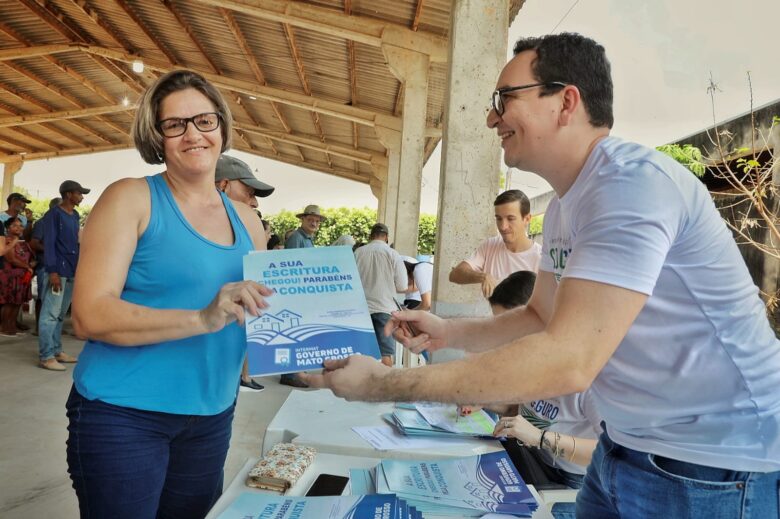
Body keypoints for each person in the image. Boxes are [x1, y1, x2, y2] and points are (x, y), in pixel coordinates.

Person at [305, 32, 780, 518]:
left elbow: (568, 359)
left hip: (716, 466)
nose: (491, 118)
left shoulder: (630, 184)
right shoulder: (564, 206)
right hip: (627, 446)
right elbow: (540, 315)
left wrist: (381, 386)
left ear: (566, 101)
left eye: (504, 99)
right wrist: (450, 331)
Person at [67, 69, 270, 519]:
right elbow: (90, 315)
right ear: (156, 136)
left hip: (212, 415)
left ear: (221, 126)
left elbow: (261, 319)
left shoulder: (248, 221)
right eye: (174, 124)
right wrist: (201, 318)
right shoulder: (130, 199)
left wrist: (321, 354)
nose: (192, 134)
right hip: (124, 415)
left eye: (204, 120)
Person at [215, 153, 275, 393]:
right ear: (223, 185)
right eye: (249, 192)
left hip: (224, 378)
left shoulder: (248, 230)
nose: (255, 203)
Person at [449, 189, 541, 298]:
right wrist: (483, 277)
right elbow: (455, 274)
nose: (503, 226)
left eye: (510, 219)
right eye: (499, 219)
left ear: (527, 219)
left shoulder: (541, 257)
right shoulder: (490, 246)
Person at [37, 180, 89, 371]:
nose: (82, 197)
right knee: (49, 315)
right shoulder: (53, 214)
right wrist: (52, 271)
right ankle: (46, 356)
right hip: (57, 271)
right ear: (68, 194)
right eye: (79, 193)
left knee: (59, 315)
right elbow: (49, 244)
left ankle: (57, 350)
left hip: (71, 270)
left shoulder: (74, 215)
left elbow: (76, 243)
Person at [279, 204, 326, 387]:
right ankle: (290, 374)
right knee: (293, 334)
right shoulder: (296, 238)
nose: (314, 223)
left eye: (317, 221)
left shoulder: (308, 239)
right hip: (296, 294)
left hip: (303, 293)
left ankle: (296, 372)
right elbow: (291, 266)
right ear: (303, 220)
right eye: (311, 220)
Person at [354, 223, 407, 367]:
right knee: (385, 353)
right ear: (387, 237)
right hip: (385, 308)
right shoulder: (393, 254)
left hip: (362, 309)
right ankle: (385, 387)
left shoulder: (358, 252)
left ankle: (365, 385)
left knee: (364, 354)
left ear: (371, 236)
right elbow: (402, 285)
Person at [29, 197, 61, 335]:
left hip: (59, 266)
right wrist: (51, 251)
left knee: (56, 298)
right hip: (44, 265)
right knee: (43, 297)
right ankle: (38, 327)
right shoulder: (42, 223)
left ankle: (52, 328)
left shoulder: (60, 224)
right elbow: (34, 243)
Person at [0, 217, 35, 337]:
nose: (19, 228)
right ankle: (5, 327)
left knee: (17, 302)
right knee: (9, 302)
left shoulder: (22, 241)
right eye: (15, 225)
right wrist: (27, 266)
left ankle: (12, 325)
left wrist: (31, 265)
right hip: (10, 275)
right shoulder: (7, 240)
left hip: (22, 276)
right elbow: (11, 259)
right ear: (7, 228)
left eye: (20, 225)